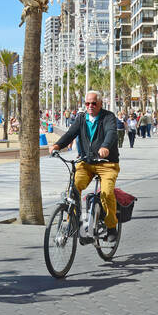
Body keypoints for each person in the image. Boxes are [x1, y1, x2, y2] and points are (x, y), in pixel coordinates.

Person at [48, 90, 122, 242]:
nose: (90, 106)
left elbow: (111, 133)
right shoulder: (81, 118)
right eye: (87, 103)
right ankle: (78, 225)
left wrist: (106, 147)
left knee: (106, 193)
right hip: (86, 163)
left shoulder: (108, 117)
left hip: (107, 164)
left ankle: (111, 226)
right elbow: (70, 134)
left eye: (93, 103)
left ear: (100, 104)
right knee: (73, 189)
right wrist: (57, 145)